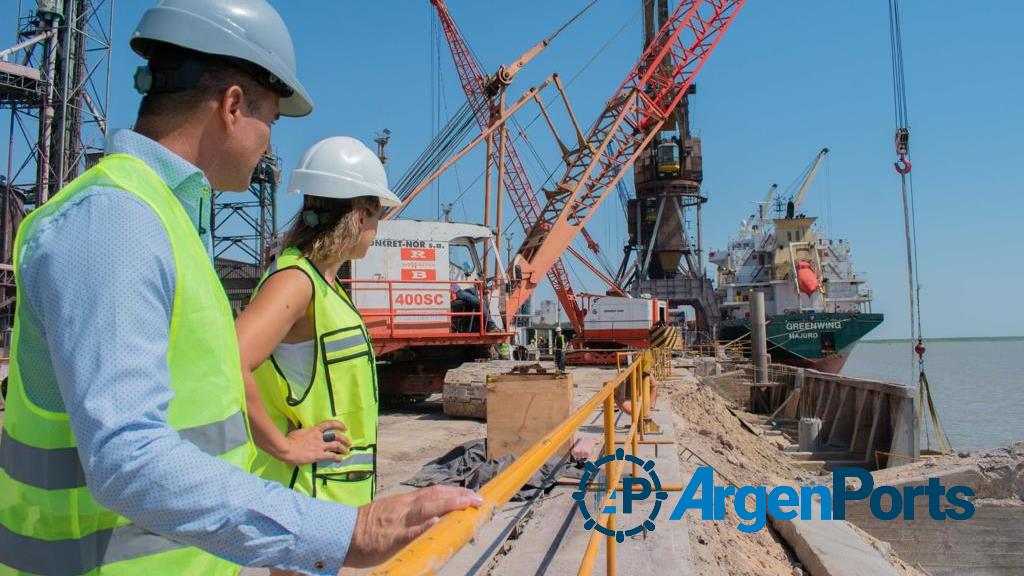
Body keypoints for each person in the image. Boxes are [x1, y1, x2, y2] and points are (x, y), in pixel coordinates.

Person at [0, 2, 478, 574]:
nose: (270, 147)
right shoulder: (114, 221)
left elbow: (215, 383)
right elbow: (128, 460)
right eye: (271, 121)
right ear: (231, 106)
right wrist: (346, 529)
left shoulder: (167, 224)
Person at [235, 136, 398, 508]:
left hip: (332, 496)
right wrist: (282, 446)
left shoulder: (326, 286)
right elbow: (230, 359)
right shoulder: (296, 281)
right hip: (306, 495)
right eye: (377, 217)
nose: (376, 229)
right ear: (360, 215)